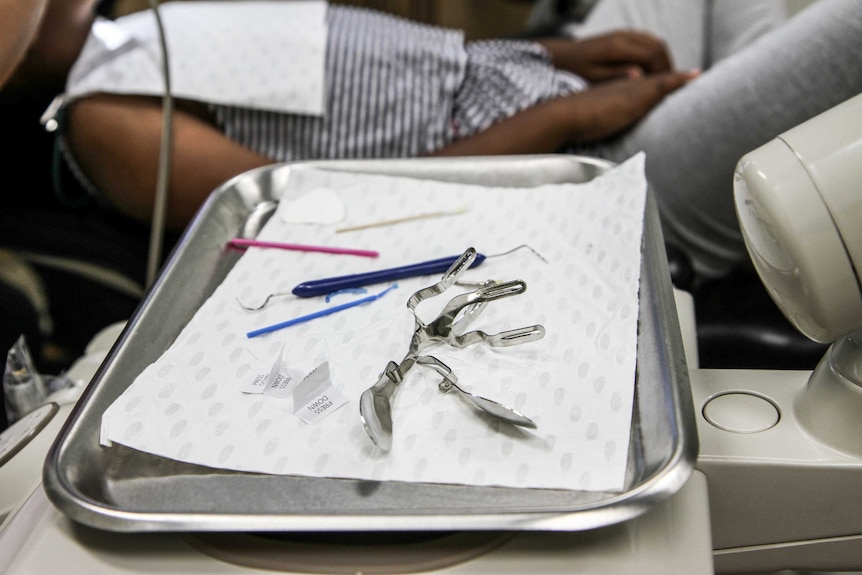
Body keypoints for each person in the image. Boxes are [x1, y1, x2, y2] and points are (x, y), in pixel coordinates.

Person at [19, 0, 862, 280]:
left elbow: (402, 65)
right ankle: (751, 125)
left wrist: (557, 56)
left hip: (538, 92)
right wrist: (568, 118)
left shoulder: (137, 34)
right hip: (569, 178)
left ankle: (751, 110)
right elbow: (331, 216)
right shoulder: (105, 115)